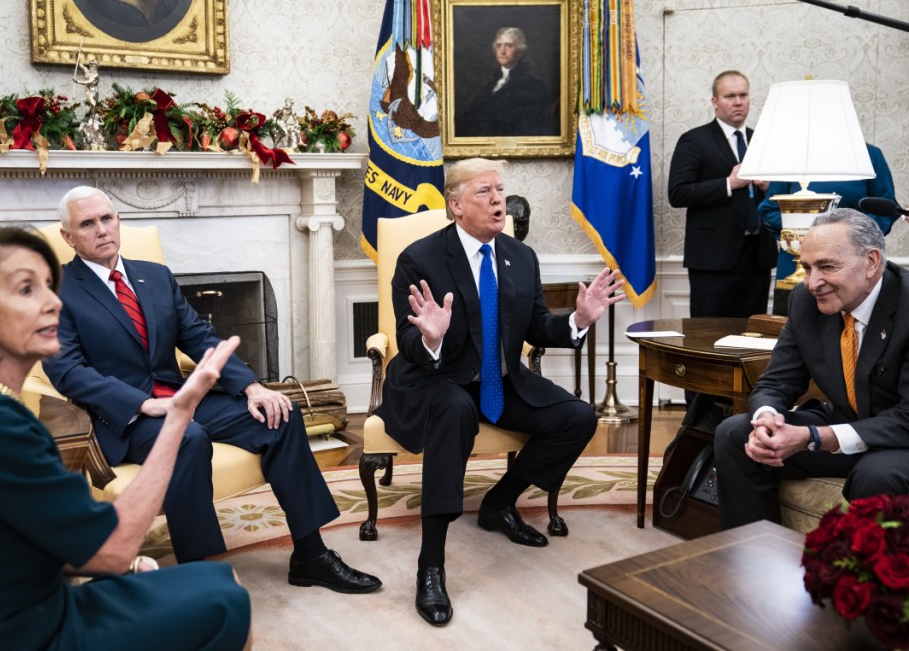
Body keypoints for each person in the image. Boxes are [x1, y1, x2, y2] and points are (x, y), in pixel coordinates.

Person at [0, 227, 251, 649]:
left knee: (218, 580)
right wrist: (179, 416)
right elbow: (113, 547)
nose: (54, 302)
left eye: (48, 285)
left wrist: (125, 567)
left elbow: (32, 530)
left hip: (24, 605)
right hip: (0, 634)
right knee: (226, 600)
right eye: (27, 289)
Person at [42, 187, 381, 593]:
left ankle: (310, 554)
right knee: (189, 438)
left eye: (107, 218)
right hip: (123, 419)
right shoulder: (57, 291)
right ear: (68, 236)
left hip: (180, 398)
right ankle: (197, 571)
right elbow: (68, 372)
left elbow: (199, 337)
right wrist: (143, 404)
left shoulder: (154, 276)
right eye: (87, 223)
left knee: (280, 415)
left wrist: (253, 388)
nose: (102, 229)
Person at [375, 158, 623, 626]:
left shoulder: (519, 257)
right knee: (453, 410)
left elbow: (537, 326)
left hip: (497, 382)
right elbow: (408, 344)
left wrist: (579, 320)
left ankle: (499, 502)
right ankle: (431, 566)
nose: (498, 201)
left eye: (501, 191)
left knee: (578, 417)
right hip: (434, 381)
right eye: (484, 192)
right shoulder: (420, 258)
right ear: (455, 206)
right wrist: (429, 336)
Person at [714, 208, 909, 530]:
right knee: (737, 434)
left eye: (827, 267)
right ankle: (754, 562)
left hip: (901, 439)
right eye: (806, 267)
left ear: (872, 262)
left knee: (876, 474)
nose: (812, 282)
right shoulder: (806, 300)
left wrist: (815, 437)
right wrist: (766, 418)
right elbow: (777, 381)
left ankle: (861, 580)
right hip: (850, 420)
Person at [667, 70, 777, 319]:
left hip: (758, 256)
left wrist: (768, 186)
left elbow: (781, 193)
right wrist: (729, 183)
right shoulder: (694, 140)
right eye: (730, 96)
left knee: (751, 336)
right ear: (715, 102)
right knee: (708, 336)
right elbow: (678, 193)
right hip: (712, 259)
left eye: (743, 95)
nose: (738, 102)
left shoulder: (760, 140)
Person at [759, 143, 897, 281]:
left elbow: (885, 209)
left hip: (851, 257)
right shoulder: (793, 155)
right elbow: (769, 210)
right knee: (796, 301)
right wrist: (804, 227)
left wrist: (849, 234)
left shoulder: (868, 154)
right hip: (797, 260)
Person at [455, 27, 556, 138]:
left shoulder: (534, 87)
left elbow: (531, 128)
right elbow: (471, 118)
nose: (502, 51)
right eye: (499, 46)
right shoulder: (490, 86)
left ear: (520, 52)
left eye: (509, 46)